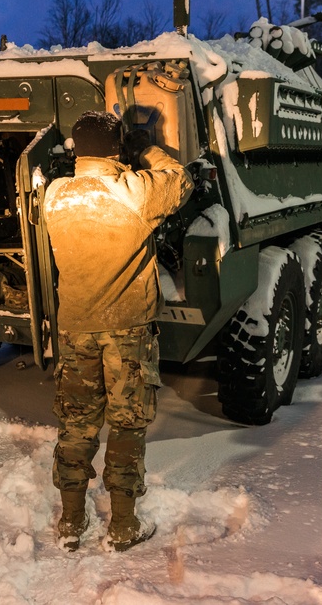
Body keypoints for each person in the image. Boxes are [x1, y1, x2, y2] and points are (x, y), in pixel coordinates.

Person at [42, 111, 193, 552]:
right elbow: (179, 179)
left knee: (75, 424)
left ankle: (71, 521)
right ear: (115, 150)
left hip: (74, 330)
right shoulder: (133, 192)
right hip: (127, 331)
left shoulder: (54, 196)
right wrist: (144, 148)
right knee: (127, 424)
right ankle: (123, 526)